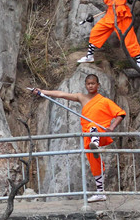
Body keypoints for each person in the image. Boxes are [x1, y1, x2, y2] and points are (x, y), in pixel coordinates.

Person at [33, 74, 126, 202]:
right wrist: (42, 91)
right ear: (85, 85)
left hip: (100, 134)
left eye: (93, 83)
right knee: (95, 163)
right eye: (88, 83)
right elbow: (61, 94)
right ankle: (100, 192)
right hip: (88, 136)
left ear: (98, 85)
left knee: (93, 126)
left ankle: (95, 141)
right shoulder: (82, 98)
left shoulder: (104, 101)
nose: (90, 86)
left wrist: (112, 126)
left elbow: (120, 113)